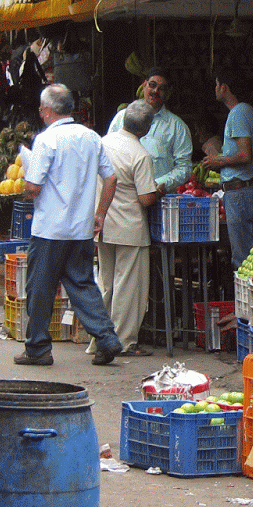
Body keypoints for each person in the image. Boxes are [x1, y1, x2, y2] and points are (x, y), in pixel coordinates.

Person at [16, 84, 126, 367]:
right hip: (80, 228)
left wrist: (25, 182)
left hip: (50, 229)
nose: (41, 113)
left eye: (42, 109)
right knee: (82, 284)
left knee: (41, 287)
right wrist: (100, 214)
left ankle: (38, 348)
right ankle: (107, 338)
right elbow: (111, 179)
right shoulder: (91, 137)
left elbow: (33, 187)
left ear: (48, 111)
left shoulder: (45, 140)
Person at [98, 100, 160, 358]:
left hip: (102, 222)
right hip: (129, 228)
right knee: (127, 287)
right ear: (146, 130)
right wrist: (157, 190)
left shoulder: (103, 142)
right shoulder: (140, 154)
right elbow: (146, 199)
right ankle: (123, 341)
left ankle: (99, 338)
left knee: (105, 283)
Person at [202, 70, 253, 270]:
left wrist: (218, 161)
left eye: (216, 85)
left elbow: (245, 155)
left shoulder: (238, 113)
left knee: (243, 259)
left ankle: (246, 299)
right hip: (245, 191)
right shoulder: (249, 112)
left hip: (240, 193)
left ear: (224, 87)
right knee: (248, 254)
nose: (215, 89)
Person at [108, 68, 192, 192]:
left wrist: (154, 184)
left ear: (167, 92)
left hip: (158, 198)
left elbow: (184, 168)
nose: (155, 91)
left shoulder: (177, 127)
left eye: (162, 88)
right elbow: (108, 154)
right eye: (152, 85)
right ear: (144, 84)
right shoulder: (122, 117)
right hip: (124, 195)